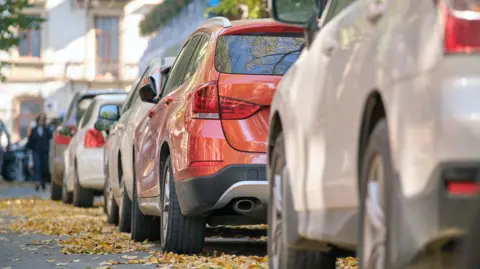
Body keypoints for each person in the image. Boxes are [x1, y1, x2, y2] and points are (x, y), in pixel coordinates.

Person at [26, 113, 53, 191]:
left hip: (45, 151)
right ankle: (37, 183)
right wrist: (28, 149)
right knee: (37, 166)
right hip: (36, 151)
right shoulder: (34, 129)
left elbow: (51, 136)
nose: (41, 121)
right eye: (40, 120)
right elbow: (30, 140)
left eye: (43, 120)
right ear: (37, 120)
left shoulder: (47, 129)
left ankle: (43, 182)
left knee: (44, 168)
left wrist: (47, 127)